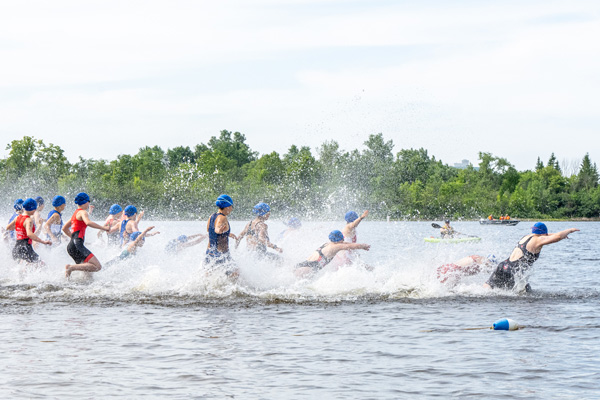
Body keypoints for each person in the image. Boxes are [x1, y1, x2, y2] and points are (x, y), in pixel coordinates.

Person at [483, 222, 580, 291]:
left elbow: (549, 235)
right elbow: (557, 237)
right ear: (543, 234)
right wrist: (570, 230)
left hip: (503, 265)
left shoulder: (527, 236)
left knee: (488, 289)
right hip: (514, 271)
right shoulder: (538, 240)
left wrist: (558, 235)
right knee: (524, 294)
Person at [63, 192, 110, 278]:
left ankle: (68, 281)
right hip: (77, 245)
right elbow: (88, 222)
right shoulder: (82, 212)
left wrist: (73, 238)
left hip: (71, 246)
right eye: (89, 201)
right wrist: (104, 228)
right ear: (85, 202)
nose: (89, 203)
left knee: (87, 274)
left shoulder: (75, 214)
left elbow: (64, 229)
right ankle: (70, 267)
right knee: (97, 267)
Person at [295, 230, 371, 278]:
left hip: (302, 265)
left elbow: (346, 243)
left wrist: (360, 244)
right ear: (340, 239)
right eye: (342, 239)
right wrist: (362, 246)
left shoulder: (327, 244)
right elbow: (348, 245)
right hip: (307, 270)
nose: (343, 240)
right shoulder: (335, 247)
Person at [5, 198, 52, 266]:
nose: (35, 210)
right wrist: (43, 242)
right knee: (42, 264)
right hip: (25, 248)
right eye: (35, 208)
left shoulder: (17, 218)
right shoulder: (28, 220)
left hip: (16, 248)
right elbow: (29, 234)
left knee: (24, 268)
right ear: (32, 209)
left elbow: (8, 227)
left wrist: (20, 227)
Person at [205, 194, 238, 277]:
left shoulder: (212, 216)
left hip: (210, 252)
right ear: (227, 207)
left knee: (210, 275)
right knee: (236, 273)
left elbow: (209, 230)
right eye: (231, 206)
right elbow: (216, 229)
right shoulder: (222, 217)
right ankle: (232, 290)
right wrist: (219, 231)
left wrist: (226, 233)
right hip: (220, 254)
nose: (231, 209)